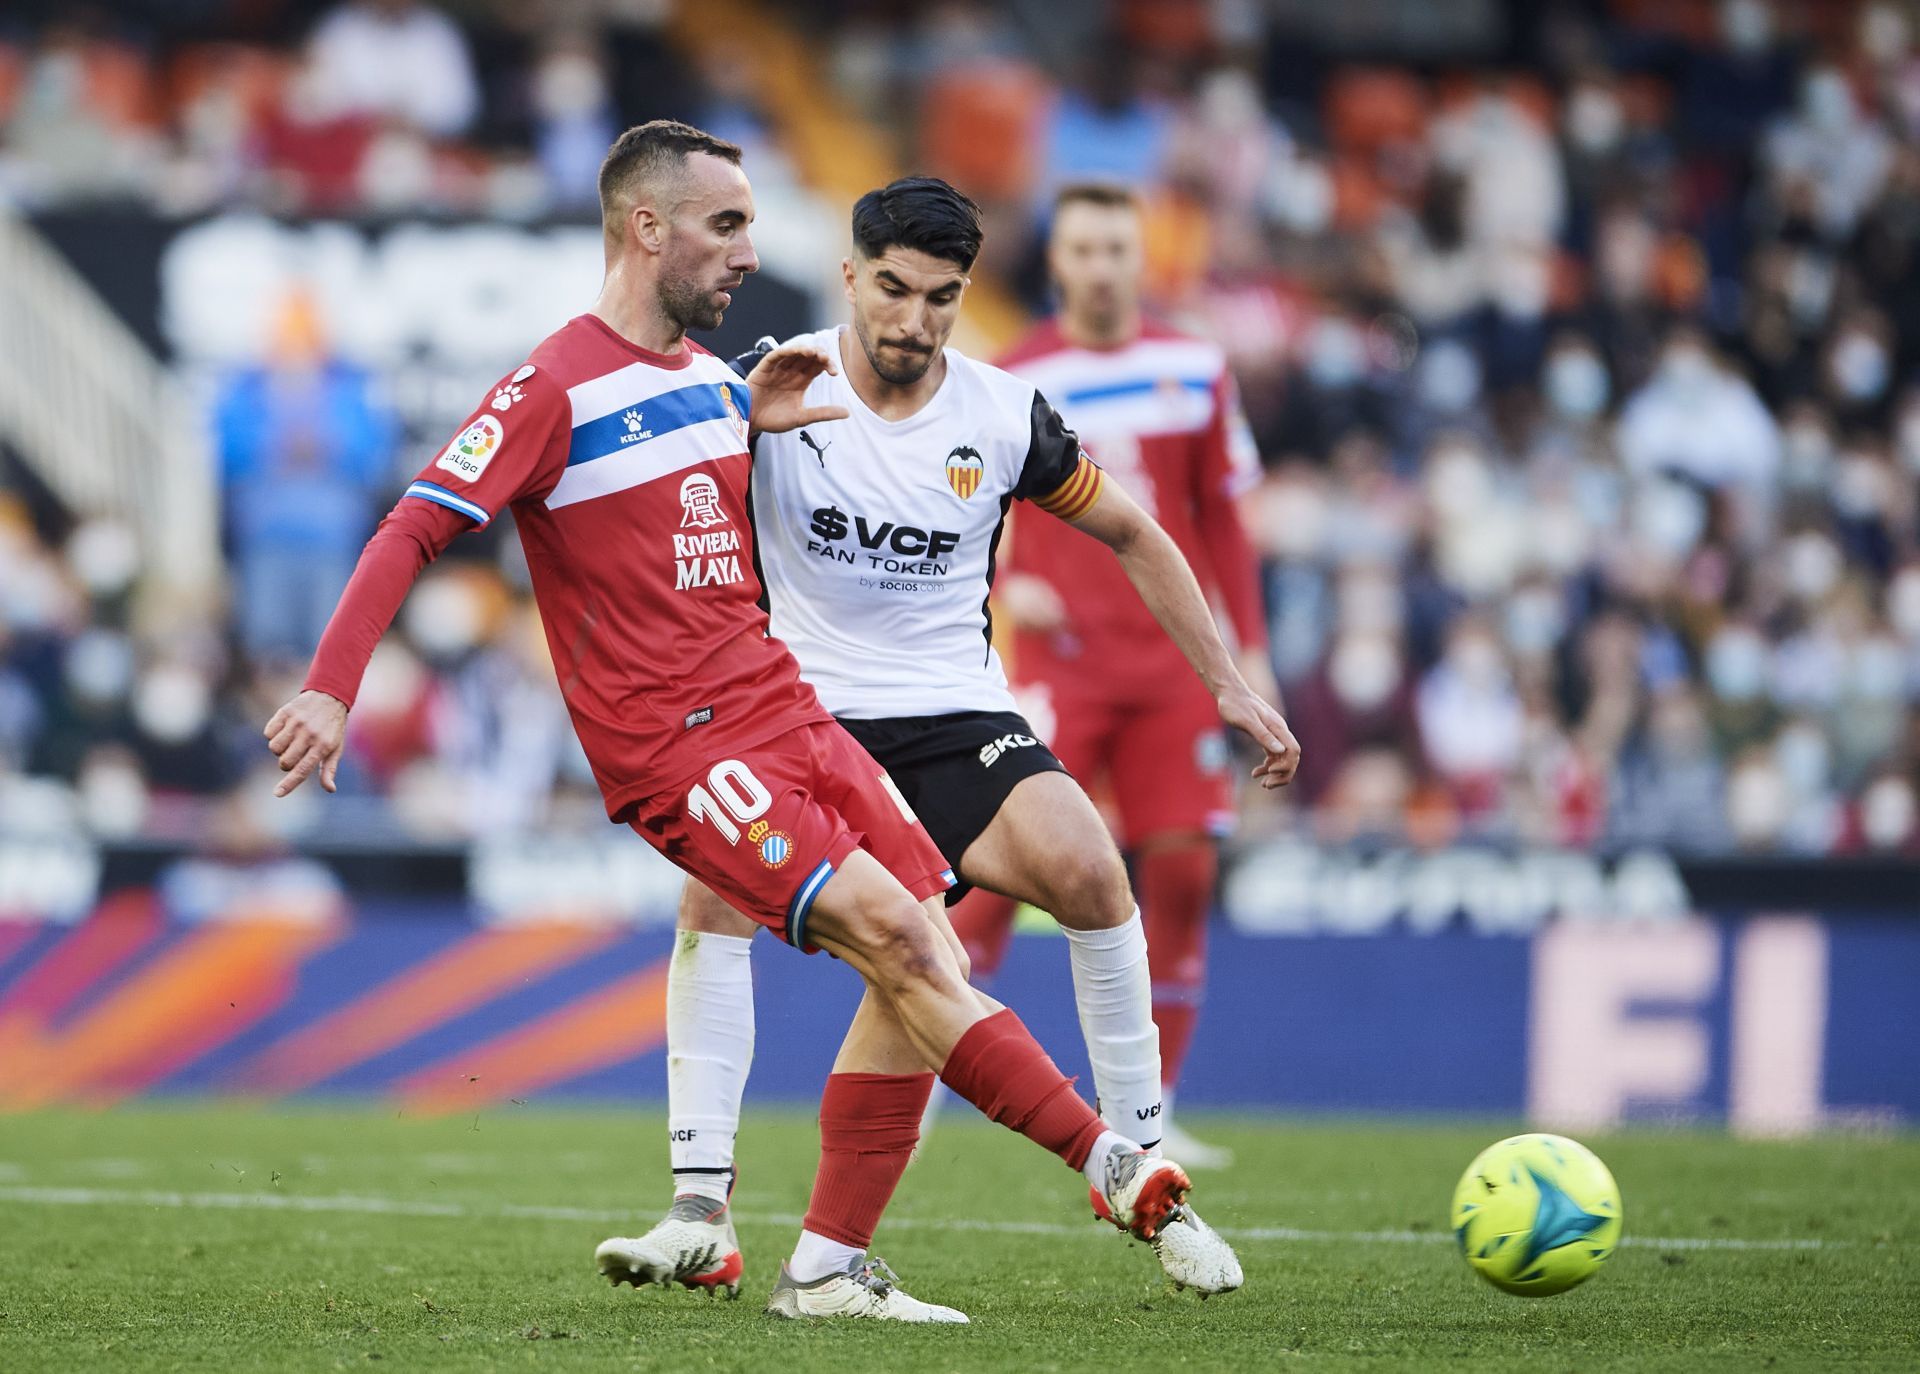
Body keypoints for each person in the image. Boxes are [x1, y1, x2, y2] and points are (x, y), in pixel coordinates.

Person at [264, 122, 1290, 1323]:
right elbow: (418, 523)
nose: (753, 253)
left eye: (754, 225)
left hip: (803, 710)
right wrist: (332, 687)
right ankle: (1119, 1172)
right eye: (729, 225)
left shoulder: (727, 385)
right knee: (884, 946)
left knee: (937, 945)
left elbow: (692, 491)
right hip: (695, 745)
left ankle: (823, 1261)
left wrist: (743, 417)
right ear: (648, 229)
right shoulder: (555, 383)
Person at [595, 177, 1299, 1300]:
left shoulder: (1003, 413)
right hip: (799, 710)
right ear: (850, 278)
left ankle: (1142, 1156)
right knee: (723, 903)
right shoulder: (770, 386)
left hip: (953, 710)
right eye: (892, 289)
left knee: (1087, 875)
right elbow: (651, 518)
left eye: (941, 297)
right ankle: (699, 1208)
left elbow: (1136, 529)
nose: (913, 321)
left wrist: (1227, 683)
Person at [953, 183, 1276, 1168]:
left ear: (1144, 260)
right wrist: (1011, 581)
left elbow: (1220, 518)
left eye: (1116, 250)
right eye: (1083, 249)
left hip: (1173, 666)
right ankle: (926, 1064)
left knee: (1181, 872)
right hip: (1063, 665)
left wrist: (1247, 657)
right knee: (1000, 872)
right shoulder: (1015, 376)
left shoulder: (1197, 368)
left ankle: (1157, 1102)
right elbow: (976, 510)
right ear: (1057, 263)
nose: (1100, 267)